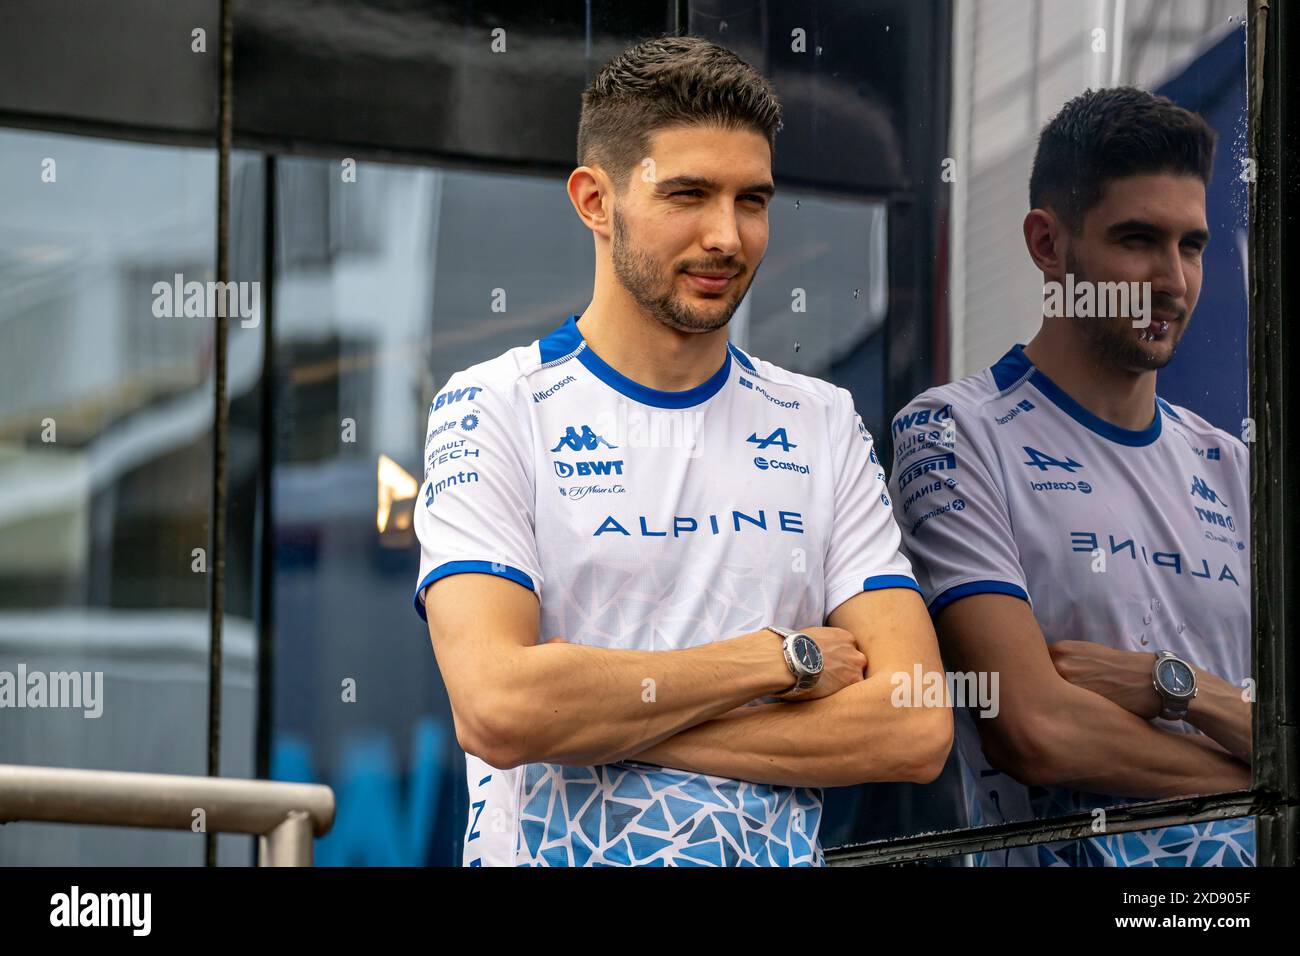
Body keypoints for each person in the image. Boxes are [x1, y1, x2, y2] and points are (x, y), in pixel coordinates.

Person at [413, 35, 950, 867]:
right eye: (690, 194)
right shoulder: (493, 407)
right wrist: (777, 659)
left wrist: (607, 722)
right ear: (595, 200)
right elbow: (500, 709)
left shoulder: (822, 420)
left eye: (753, 200)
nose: (728, 237)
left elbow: (914, 725)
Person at [889, 86, 1252, 866]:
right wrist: (1258, 779)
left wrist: (1173, 685)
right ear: (1048, 245)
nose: (1174, 282)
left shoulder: (1234, 467)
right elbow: (1034, 729)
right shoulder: (954, 432)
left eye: (1191, 245)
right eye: (1138, 240)